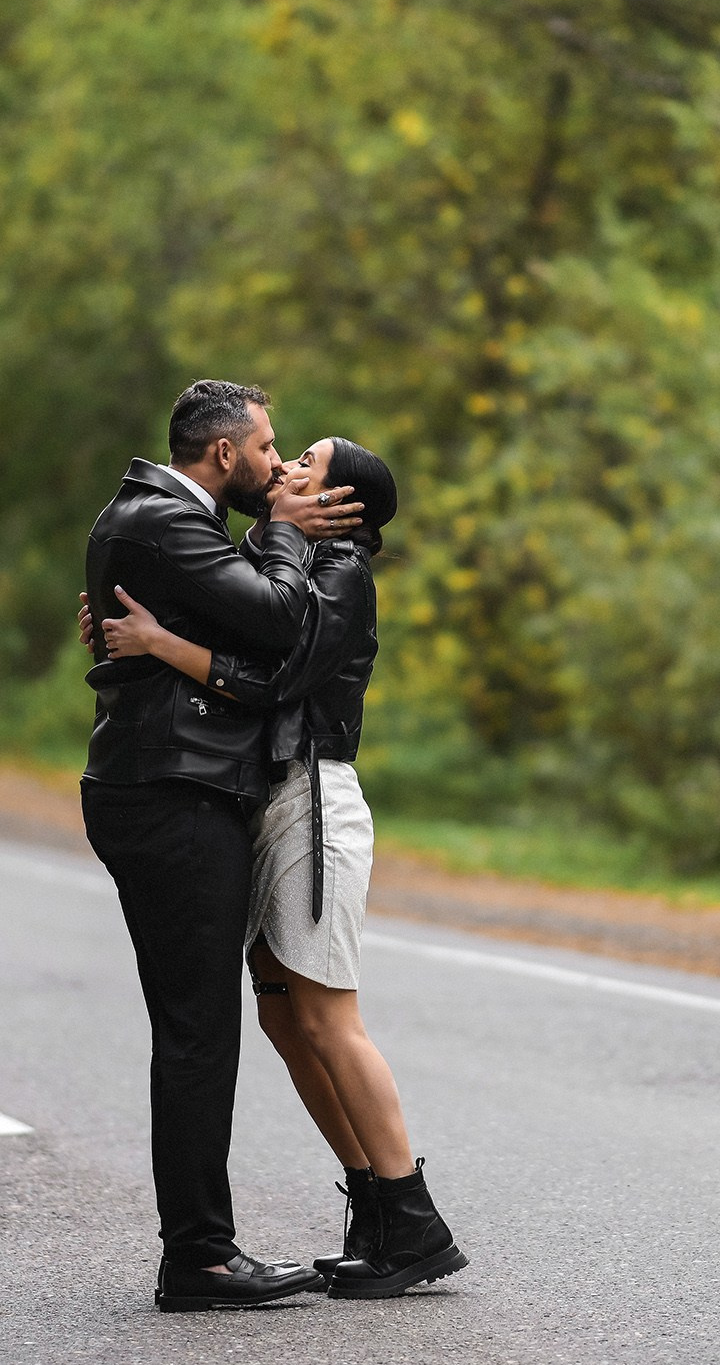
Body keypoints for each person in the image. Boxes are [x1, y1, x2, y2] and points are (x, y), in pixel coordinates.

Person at [97, 436, 467, 1301]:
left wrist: (161, 643)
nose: (286, 466)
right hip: (266, 802)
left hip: (312, 801)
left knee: (330, 1018)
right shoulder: (284, 556)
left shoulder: (340, 572)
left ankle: (414, 1218)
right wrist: (130, 631)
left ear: (341, 502)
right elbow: (232, 617)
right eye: (286, 453)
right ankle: (374, 1207)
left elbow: (271, 679)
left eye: (306, 461)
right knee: (283, 1017)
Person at [80, 381, 365, 1312]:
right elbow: (277, 618)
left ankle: (199, 1249)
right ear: (225, 453)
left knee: (194, 1024)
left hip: (165, 785)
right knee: (198, 1029)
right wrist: (282, 529)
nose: (278, 464)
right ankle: (199, 1257)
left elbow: (226, 628)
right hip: (173, 793)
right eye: (268, 448)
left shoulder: (160, 519)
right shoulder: (166, 521)